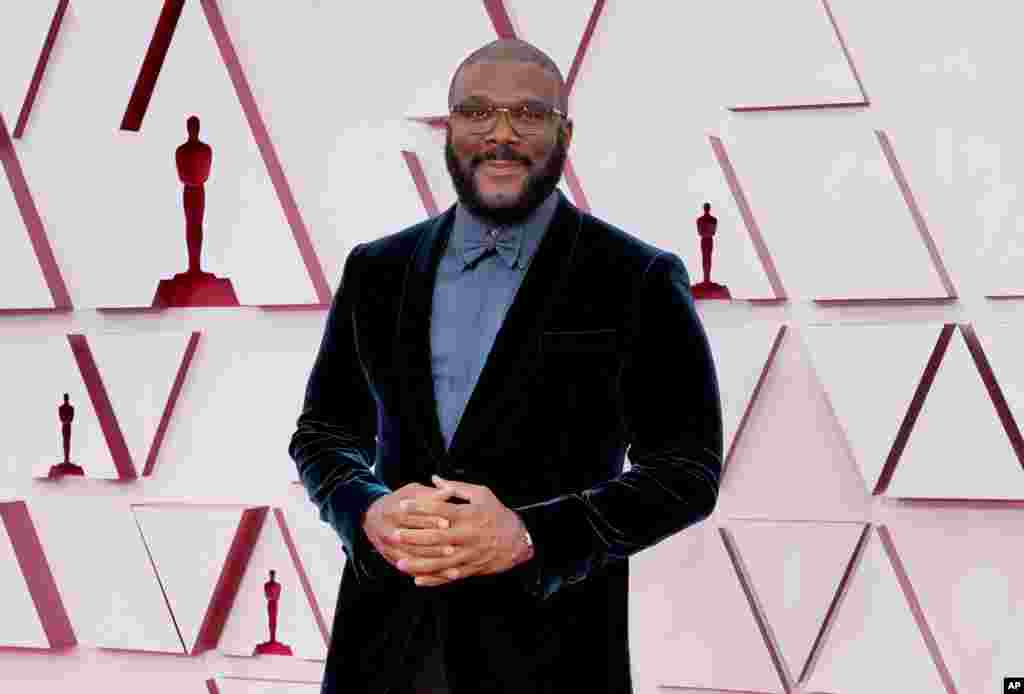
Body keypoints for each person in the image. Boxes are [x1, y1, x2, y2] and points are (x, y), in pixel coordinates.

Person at [288, 38, 723, 694]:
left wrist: (530, 536)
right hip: (380, 656)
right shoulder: (376, 270)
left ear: (563, 132)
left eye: (528, 113)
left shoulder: (636, 278)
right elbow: (323, 434)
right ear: (449, 128)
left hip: (551, 660)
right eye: (477, 112)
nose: (500, 134)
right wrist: (364, 511)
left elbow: (688, 469)